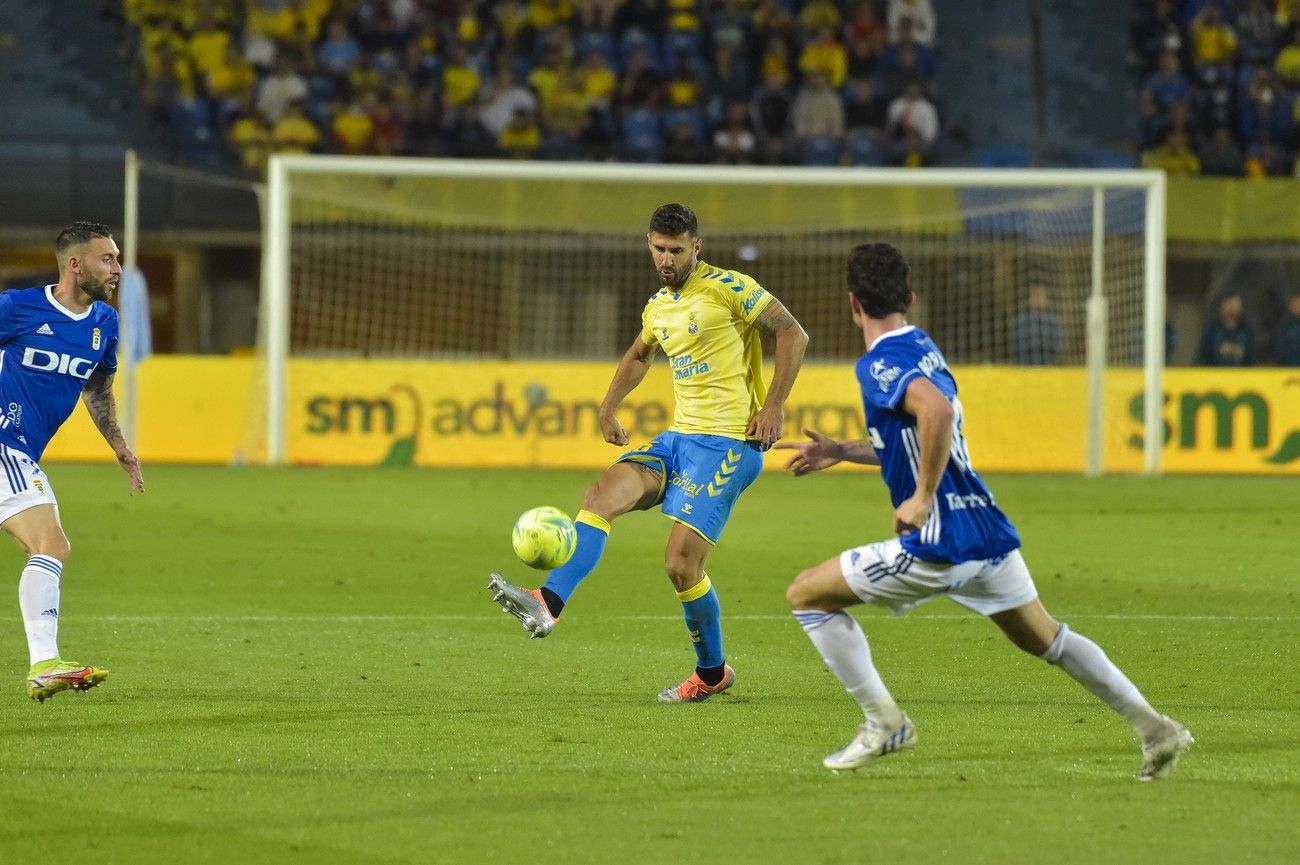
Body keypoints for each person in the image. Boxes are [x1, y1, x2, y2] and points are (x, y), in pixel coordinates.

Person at [776, 242, 1192, 779]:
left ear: (853, 303)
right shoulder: (923, 346)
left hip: (941, 540)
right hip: (984, 527)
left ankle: (885, 722)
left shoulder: (878, 362)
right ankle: (1155, 729)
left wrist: (921, 497)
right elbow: (918, 432)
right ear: (910, 296)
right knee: (1047, 638)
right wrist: (843, 450)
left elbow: (937, 411)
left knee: (807, 595)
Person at [489, 204, 809, 702]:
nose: (666, 258)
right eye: (659, 248)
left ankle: (711, 673)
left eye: (677, 250)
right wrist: (608, 407)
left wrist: (774, 406)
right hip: (678, 439)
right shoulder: (658, 306)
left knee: (681, 567)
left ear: (696, 248)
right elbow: (640, 354)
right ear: (648, 244)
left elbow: (793, 332)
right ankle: (548, 602)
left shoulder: (731, 288)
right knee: (601, 494)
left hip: (730, 444)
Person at [3, 222, 145, 702]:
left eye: (118, 259)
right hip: (5, 445)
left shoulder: (104, 323)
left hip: (20, 452)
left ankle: (45, 662)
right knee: (50, 543)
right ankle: (44, 662)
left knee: (47, 546)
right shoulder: (19, 308)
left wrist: (118, 445)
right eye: (108, 259)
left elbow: (98, 388)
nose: (118, 269)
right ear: (75, 264)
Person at [1195, 293, 1254, 366]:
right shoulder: (1212, 331)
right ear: (1222, 307)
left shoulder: (1246, 333)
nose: (1231, 308)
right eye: (1228, 304)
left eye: (1234, 305)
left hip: (1239, 376)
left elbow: (1250, 360)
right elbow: (1203, 357)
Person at [1011, 285, 1065, 364]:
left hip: (1048, 368)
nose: (1038, 300)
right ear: (1029, 299)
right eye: (1035, 296)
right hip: (1025, 368)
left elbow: (1059, 345)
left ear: (1046, 300)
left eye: (1040, 297)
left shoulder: (1054, 323)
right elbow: (1015, 346)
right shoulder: (1020, 322)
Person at [1275, 293, 1300, 366]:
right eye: (1296, 304)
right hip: (1288, 369)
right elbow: (1280, 350)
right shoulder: (1284, 327)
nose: (1298, 306)